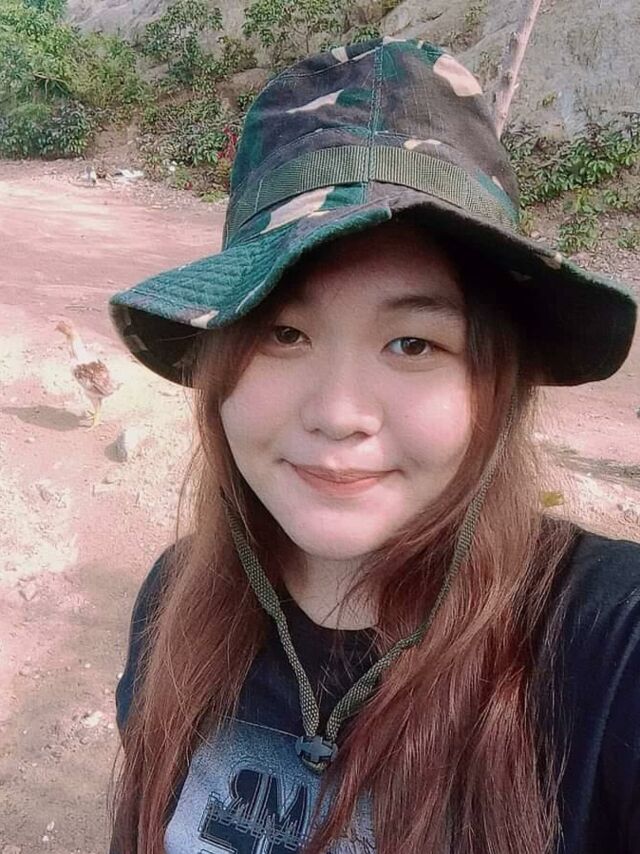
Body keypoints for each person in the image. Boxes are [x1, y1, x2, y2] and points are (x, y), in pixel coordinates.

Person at [107, 37, 639, 854]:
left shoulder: (607, 643)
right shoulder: (176, 602)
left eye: (412, 344)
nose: (338, 414)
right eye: (284, 333)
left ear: (496, 384)